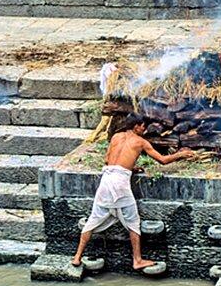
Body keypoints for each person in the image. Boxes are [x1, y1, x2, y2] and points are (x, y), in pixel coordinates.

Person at [71, 112, 195, 271]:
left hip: (106, 180)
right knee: (133, 222)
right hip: (120, 184)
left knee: (93, 220)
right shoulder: (140, 142)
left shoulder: (116, 136)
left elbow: (107, 160)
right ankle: (137, 260)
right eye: (143, 126)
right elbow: (163, 160)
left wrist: (130, 167)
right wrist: (181, 154)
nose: (144, 130)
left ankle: (77, 257)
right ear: (136, 127)